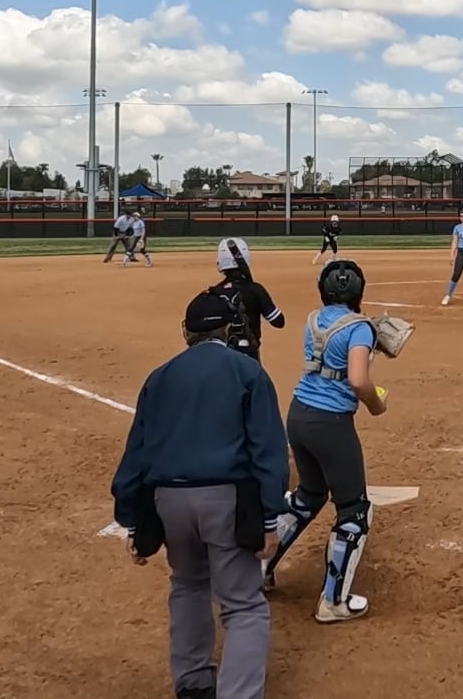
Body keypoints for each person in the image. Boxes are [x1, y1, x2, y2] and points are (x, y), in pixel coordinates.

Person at [110, 290, 289, 699]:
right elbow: (268, 450)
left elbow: (137, 453)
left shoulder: (159, 377)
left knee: (188, 585)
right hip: (225, 500)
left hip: (169, 502)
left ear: (186, 332)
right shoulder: (247, 372)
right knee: (243, 604)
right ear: (227, 330)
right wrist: (268, 517)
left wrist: (132, 520)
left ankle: (192, 683)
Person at [264, 259, 398, 623]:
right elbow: (357, 379)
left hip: (299, 415)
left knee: (309, 494)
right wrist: (377, 404)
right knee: (354, 509)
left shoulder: (313, 320)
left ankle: (257, 569)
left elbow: (330, 355)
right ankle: (334, 602)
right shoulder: (360, 328)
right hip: (330, 425)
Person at [212, 236, 286, 361]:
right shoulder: (255, 289)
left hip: (223, 359)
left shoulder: (215, 292)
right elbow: (279, 321)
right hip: (250, 358)